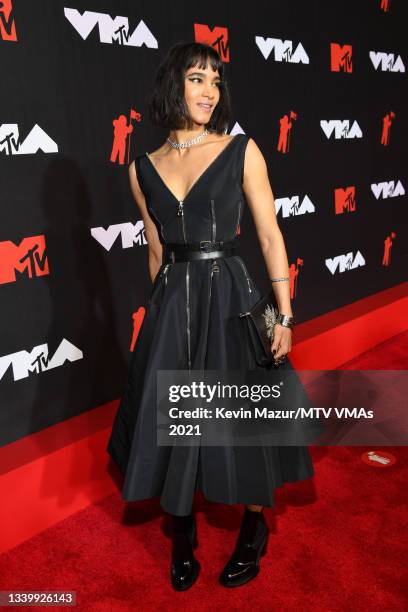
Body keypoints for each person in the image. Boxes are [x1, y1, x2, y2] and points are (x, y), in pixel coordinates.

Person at [107, 40, 315, 591]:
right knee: (176, 422)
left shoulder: (240, 150)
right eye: (198, 79)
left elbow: (271, 236)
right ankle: (181, 531)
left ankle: (253, 527)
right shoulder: (140, 169)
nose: (210, 91)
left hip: (229, 298)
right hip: (172, 304)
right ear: (172, 84)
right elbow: (155, 251)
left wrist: (285, 317)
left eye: (216, 82)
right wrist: (157, 322)